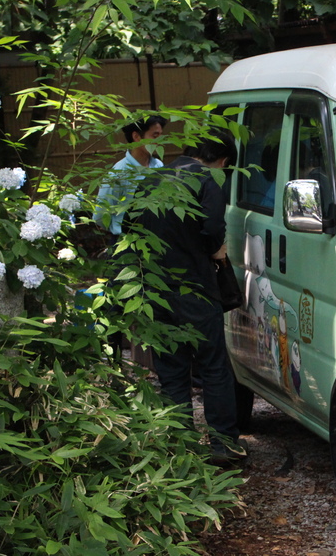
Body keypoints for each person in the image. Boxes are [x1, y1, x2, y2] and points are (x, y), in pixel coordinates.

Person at [135, 127, 244, 465]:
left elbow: (130, 227)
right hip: (196, 289)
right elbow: (212, 231)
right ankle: (223, 445)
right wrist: (214, 250)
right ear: (222, 160)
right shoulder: (206, 182)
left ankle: (177, 447)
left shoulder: (151, 179)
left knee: (171, 370)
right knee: (213, 367)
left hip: (155, 289)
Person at [96, 116, 167, 240]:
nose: (160, 141)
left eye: (161, 135)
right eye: (155, 136)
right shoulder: (118, 172)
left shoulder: (159, 166)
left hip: (157, 239)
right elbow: (100, 215)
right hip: (126, 242)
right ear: (136, 137)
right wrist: (119, 231)